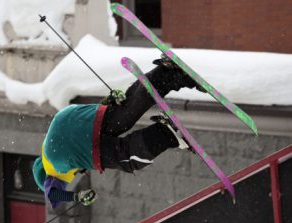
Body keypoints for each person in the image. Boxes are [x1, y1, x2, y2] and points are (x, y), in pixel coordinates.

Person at [33, 55, 204, 208]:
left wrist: (77, 196)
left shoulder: (51, 171)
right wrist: (108, 102)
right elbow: (81, 127)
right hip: (69, 117)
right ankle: (168, 73)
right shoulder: (48, 147)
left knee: (126, 157)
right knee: (126, 113)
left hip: (74, 142)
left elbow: (52, 195)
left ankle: (166, 133)